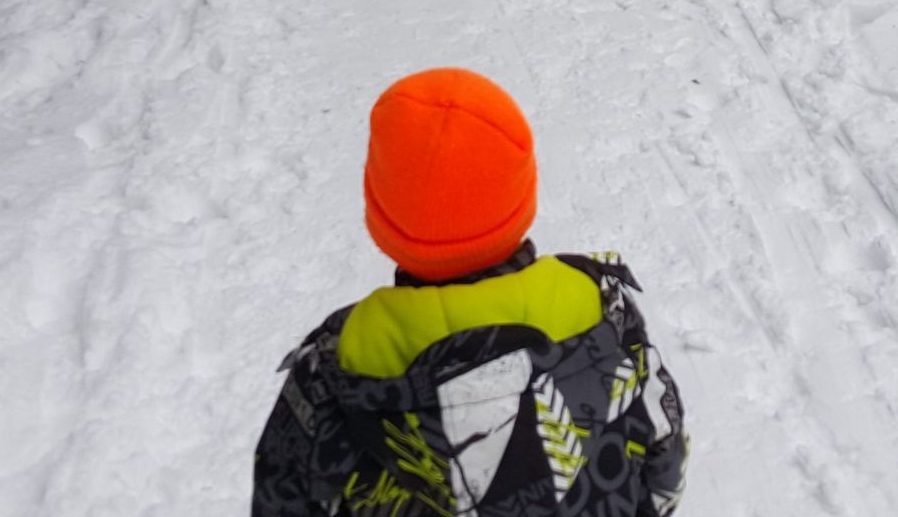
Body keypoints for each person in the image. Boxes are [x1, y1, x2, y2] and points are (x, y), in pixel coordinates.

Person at [253, 69, 689, 517]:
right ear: (523, 197)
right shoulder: (602, 311)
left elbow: (282, 496)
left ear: (382, 217)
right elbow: (663, 452)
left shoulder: (333, 371)